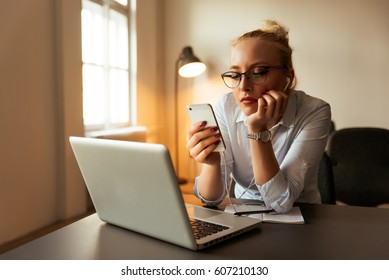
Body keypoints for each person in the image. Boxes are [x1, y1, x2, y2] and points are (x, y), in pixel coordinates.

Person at [186, 20, 331, 213]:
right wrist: (212, 163)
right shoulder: (226, 106)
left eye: (258, 72)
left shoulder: (314, 111)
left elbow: (281, 203)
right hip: (244, 216)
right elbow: (211, 198)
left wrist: (257, 131)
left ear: (288, 77)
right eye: (236, 75)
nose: (243, 86)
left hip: (302, 218)